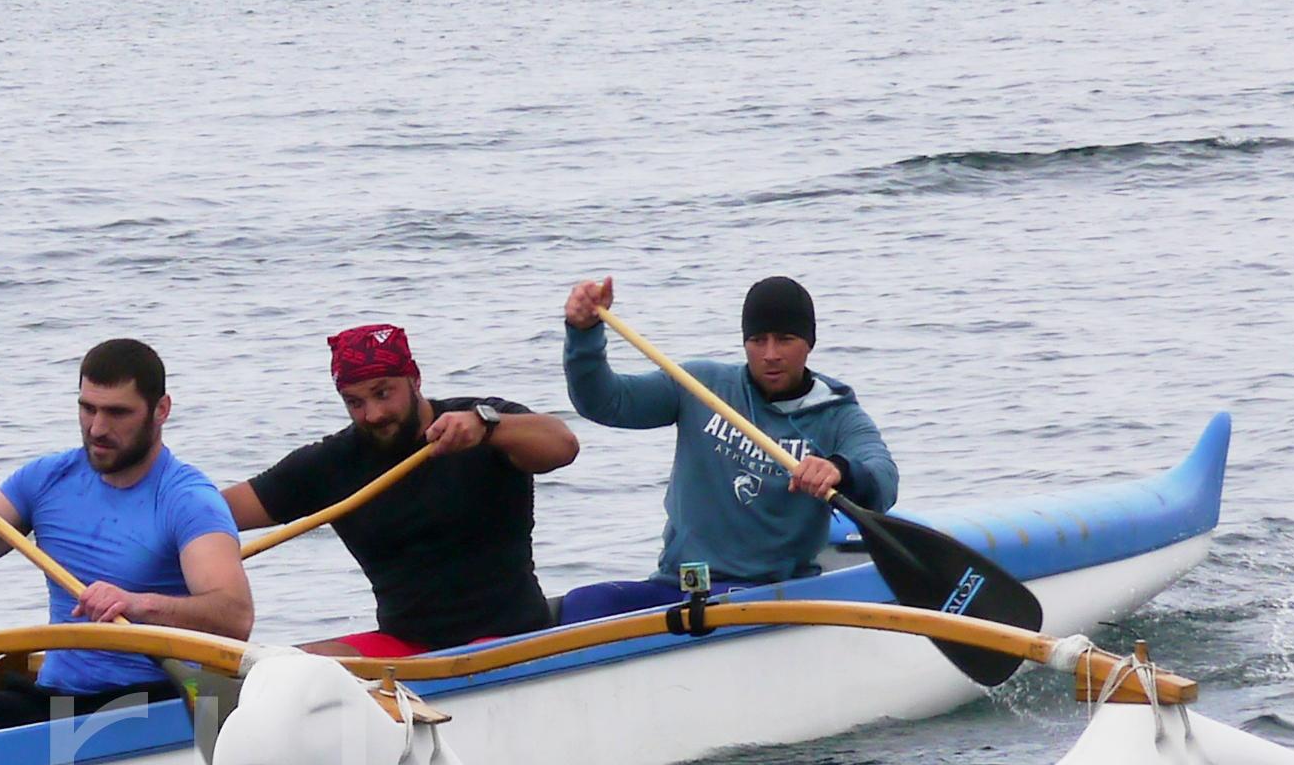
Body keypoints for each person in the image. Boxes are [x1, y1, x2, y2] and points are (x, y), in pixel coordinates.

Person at [0, 338, 252, 740]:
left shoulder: (188, 500)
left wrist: (136, 604)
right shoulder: (46, 480)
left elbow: (234, 617)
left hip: (155, 700)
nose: (97, 428)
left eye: (117, 412)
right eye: (87, 408)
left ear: (161, 411)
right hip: (60, 699)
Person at [555, 273, 901, 620]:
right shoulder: (701, 385)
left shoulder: (837, 415)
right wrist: (584, 333)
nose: (770, 355)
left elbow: (883, 479)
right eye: (757, 340)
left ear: (808, 343)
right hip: (681, 586)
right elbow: (604, 402)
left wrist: (839, 469)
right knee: (584, 604)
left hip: (770, 595)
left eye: (785, 340)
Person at [221, 322, 578, 656]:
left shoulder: (481, 420)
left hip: (512, 638)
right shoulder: (331, 464)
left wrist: (488, 428)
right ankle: (205, 720)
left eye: (382, 393)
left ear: (414, 379)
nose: (372, 414)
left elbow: (563, 445)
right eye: (354, 403)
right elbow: (215, 514)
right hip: (405, 647)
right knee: (266, 674)